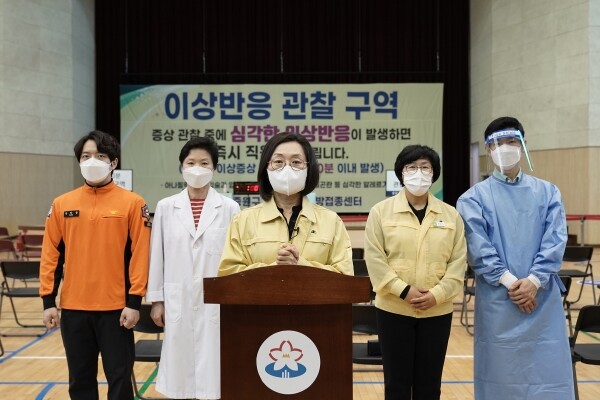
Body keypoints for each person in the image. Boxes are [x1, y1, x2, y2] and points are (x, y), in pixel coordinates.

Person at [456, 116, 574, 399]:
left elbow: (555, 239)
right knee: (500, 376)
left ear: (523, 145)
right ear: (488, 150)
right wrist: (513, 284)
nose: (505, 148)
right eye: (498, 143)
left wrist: (534, 281)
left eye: (512, 142)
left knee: (548, 375)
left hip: (541, 299)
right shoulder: (472, 199)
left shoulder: (548, 193)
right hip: (500, 299)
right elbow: (478, 248)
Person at [40, 130, 151, 400]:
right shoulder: (61, 204)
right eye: (86, 156)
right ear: (79, 161)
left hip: (117, 310)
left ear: (113, 162)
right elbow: (50, 255)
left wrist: (134, 302)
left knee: (120, 379)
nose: (92, 161)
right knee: (80, 381)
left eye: (100, 156)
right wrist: (48, 301)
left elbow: (140, 255)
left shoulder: (133, 203)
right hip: (74, 309)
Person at [364, 145, 467, 400]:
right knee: (396, 385)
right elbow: (375, 260)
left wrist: (437, 294)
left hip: (437, 311)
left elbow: (458, 263)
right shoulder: (380, 212)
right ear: (401, 173)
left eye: (425, 168)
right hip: (393, 310)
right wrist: (403, 290)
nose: (418, 173)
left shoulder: (451, 215)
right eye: (411, 167)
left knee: (429, 385)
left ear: (434, 174)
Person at [147, 137, 240, 399]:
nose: (197, 168)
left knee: (215, 375)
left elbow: (236, 259)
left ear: (214, 169)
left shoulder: (229, 208)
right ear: (182, 167)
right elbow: (157, 255)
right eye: (191, 162)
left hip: (217, 304)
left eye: (204, 163)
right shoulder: (166, 207)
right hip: (178, 299)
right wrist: (157, 300)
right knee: (181, 377)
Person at [218, 132, 353, 276]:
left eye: (296, 162)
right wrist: (275, 268)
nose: (287, 168)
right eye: (278, 161)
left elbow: (345, 276)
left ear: (309, 169)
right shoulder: (242, 221)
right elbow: (228, 276)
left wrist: (301, 265)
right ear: (266, 168)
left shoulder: (331, 221)